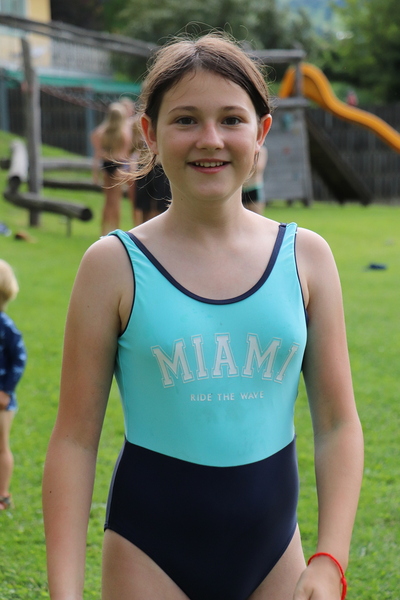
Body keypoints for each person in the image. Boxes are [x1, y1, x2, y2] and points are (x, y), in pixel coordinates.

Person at [43, 32, 364, 600]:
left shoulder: (306, 258)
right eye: (186, 119)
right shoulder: (113, 265)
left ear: (261, 132)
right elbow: (73, 440)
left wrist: (329, 559)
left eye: (232, 119)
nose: (209, 139)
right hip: (149, 557)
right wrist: (64, 593)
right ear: (149, 133)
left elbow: (338, 424)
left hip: (275, 559)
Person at [0, 260, 27, 510]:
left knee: (1, 447)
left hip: (1, 403)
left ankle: (2, 494)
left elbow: (19, 359)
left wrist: (6, 390)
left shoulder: (6, 327)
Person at [91, 102, 133, 235]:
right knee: (116, 202)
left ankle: (104, 230)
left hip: (106, 165)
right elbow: (126, 156)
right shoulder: (124, 134)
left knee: (107, 201)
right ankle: (116, 230)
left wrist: (95, 174)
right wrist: (130, 173)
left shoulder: (101, 132)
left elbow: (97, 154)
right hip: (118, 166)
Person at [242, 143, 268, 213]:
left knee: (256, 214)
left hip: (254, 187)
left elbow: (258, 168)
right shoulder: (244, 150)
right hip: (242, 189)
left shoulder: (261, 150)